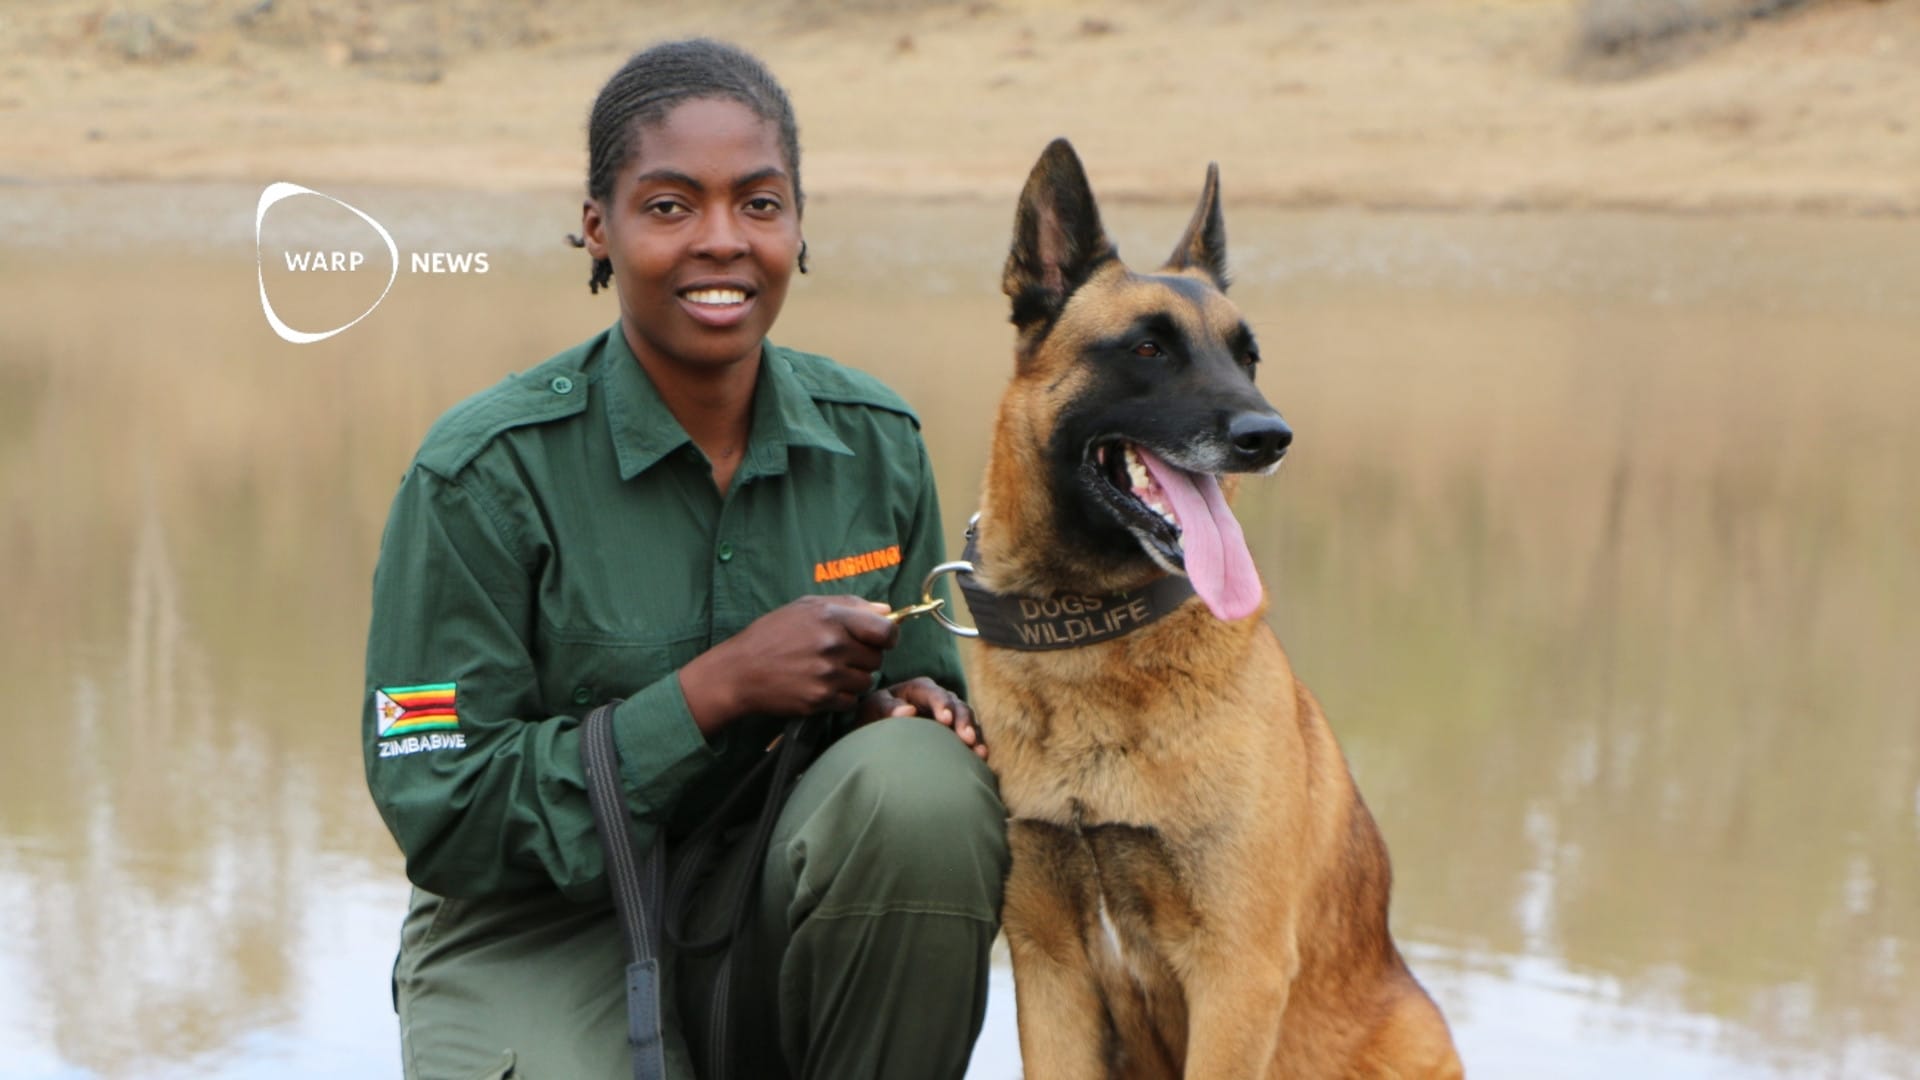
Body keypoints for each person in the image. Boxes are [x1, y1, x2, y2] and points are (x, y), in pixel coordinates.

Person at [362, 38, 1007, 1080]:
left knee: (925, 787)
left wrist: (902, 709)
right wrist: (713, 693)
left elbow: (920, 715)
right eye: (669, 206)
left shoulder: (876, 443)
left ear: (799, 226)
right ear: (598, 227)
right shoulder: (480, 474)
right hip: (538, 924)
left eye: (760, 204)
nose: (722, 241)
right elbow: (443, 809)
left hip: (782, 903)